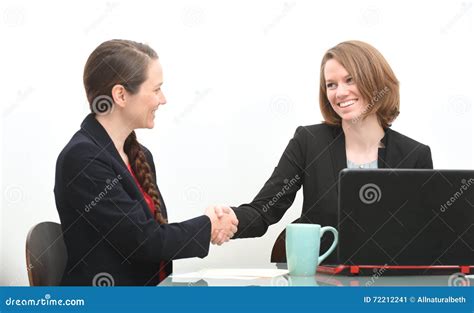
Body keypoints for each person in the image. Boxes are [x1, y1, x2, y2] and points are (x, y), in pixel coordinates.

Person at [216, 41, 433, 264]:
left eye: (350, 80)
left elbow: (425, 237)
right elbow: (264, 211)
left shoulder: (415, 155)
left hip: (387, 287)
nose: (340, 92)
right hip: (322, 284)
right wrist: (229, 219)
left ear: (376, 81)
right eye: (331, 85)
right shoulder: (309, 142)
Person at [54, 39, 237, 286]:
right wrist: (208, 226)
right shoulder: (83, 160)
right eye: (156, 89)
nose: (163, 100)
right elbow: (143, 241)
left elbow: (149, 236)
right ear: (120, 95)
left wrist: (209, 225)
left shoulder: (139, 154)